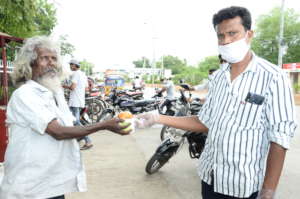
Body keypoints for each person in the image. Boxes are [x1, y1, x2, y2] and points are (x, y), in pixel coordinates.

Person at [135, 6, 297, 199]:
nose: (226, 41)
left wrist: (268, 191)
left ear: (249, 34)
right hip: (209, 175)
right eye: (221, 36)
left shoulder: (274, 77)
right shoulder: (218, 78)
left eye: (232, 33)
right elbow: (204, 121)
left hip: (243, 185)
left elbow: (280, 138)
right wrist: (157, 117)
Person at [0, 36, 130, 199]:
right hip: (29, 188)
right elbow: (58, 132)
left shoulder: (56, 94)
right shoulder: (25, 94)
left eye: (54, 59)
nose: (51, 63)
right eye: (44, 58)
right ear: (30, 63)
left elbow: (68, 129)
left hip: (51, 184)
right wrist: (104, 125)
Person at [63, 59, 93, 150]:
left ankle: (88, 140)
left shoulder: (76, 74)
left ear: (75, 65)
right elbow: (87, 88)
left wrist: (62, 86)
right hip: (80, 100)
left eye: (71, 65)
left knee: (75, 121)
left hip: (75, 101)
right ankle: (79, 137)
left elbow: (72, 87)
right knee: (74, 121)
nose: (70, 67)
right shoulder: (83, 74)